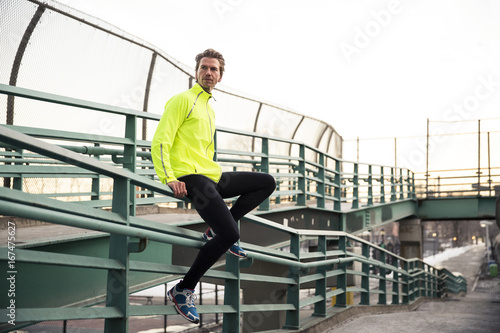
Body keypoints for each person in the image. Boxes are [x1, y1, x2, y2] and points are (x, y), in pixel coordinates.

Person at [151, 48, 276, 324]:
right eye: (204, 68)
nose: (209, 72)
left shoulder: (208, 108)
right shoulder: (183, 100)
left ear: (220, 76)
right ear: (196, 72)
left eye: (214, 69)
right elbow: (161, 140)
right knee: (230, 234)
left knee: (266, 182)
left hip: (212, 176)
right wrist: (169, 177)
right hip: (191, 179)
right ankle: (183, 289)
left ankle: (215, 230)